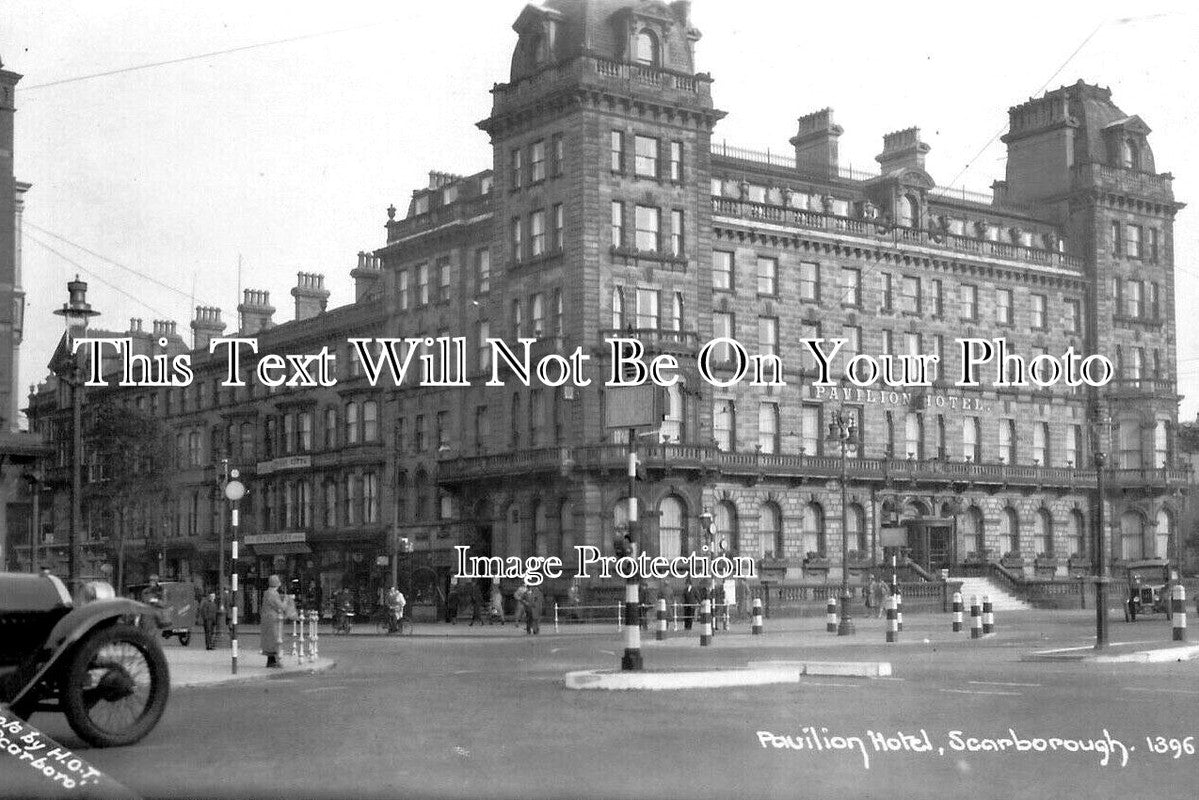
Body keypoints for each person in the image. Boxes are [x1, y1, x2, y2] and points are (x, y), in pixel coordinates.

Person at [260, 575, 286, 668]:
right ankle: (274, 661)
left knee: (269, 640)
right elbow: (280, 606)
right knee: (276, 639)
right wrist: (286, 600)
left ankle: (270, 660)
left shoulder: (266, 593)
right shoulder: (274, 594)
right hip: (274, 620)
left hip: (266, 619)